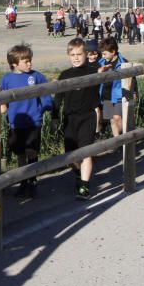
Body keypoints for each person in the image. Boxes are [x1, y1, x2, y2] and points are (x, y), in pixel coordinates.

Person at [0, 44, 53, 199]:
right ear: (14, 64)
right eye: (25, 61)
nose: (29, 64)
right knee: (20, 153)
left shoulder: (36, 76)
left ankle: (32, 181)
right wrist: (2, 109)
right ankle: (23, 181)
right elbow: (2, 97)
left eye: (30, 60)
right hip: (16, 122)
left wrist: (45, 106)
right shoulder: (7, 79)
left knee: (31, 150)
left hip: (34, 121)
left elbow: (46, 92)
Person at [55, 39, 101, 200]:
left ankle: (84, 186)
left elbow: (102, 74)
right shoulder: (64, 75)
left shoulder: (92, 71)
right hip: (70, 118)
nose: (76, 58)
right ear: (68, 55)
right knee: (72, 155)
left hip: (87, 116)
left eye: (79, 54)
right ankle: (78, 175)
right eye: (73, 55)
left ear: (86, 54)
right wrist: (55, 117)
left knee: (86, 151)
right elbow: (58, 98)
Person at [97, 37, 130, 141]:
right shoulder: (101, 62)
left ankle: (124, 136)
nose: (103, 56)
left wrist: (134, 92)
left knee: (117, 117)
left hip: (118, 94)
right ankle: (117, 142)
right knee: (111, 119)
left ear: (113, 51)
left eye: (105, 53)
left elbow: (131, 78)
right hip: (106, 94)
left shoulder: (123, 62)